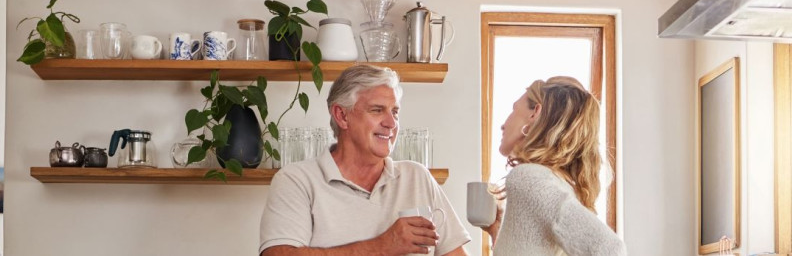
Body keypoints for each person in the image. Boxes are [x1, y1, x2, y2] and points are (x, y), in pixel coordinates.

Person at [260, 65, 471, 256]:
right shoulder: (297, 180)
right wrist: (384, 246)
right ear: (342, 116)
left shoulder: (417, 177)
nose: (391, 123)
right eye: (377, 110)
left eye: (395, 112)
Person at [479, 77, 626, 255]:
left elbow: (609, 248)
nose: (503, 124)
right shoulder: (557, 182)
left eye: (514, 109)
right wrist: (497, 232)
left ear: (535, 113)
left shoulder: (528, 178)